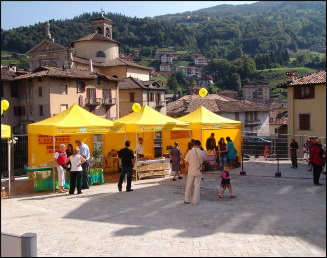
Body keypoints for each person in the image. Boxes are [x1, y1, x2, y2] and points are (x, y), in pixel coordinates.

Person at [184, 140, 206, 205]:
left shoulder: (190, 152)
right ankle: (195, 201)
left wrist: (186, 170)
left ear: (194, 145)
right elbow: (204, 158)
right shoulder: (202, 152)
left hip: (191, 171)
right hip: (198, 171)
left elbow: (186, 162)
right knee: (197, 186)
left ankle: (186, 200)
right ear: (200, 145)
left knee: (189, 185)